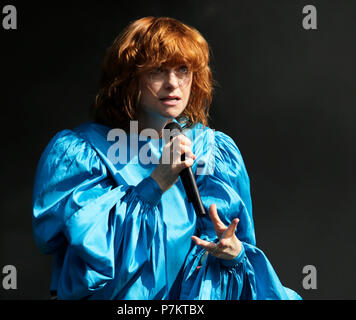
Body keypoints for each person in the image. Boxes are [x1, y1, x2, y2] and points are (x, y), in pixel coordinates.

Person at [32, 16, 301, 300]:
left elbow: (238, 263)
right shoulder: (85, 153)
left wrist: (233, 254)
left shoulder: (214, 152)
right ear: (128, 78)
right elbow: (92, 259)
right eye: (158, 71)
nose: (173, 84)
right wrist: (156, 182)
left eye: (183, 69)